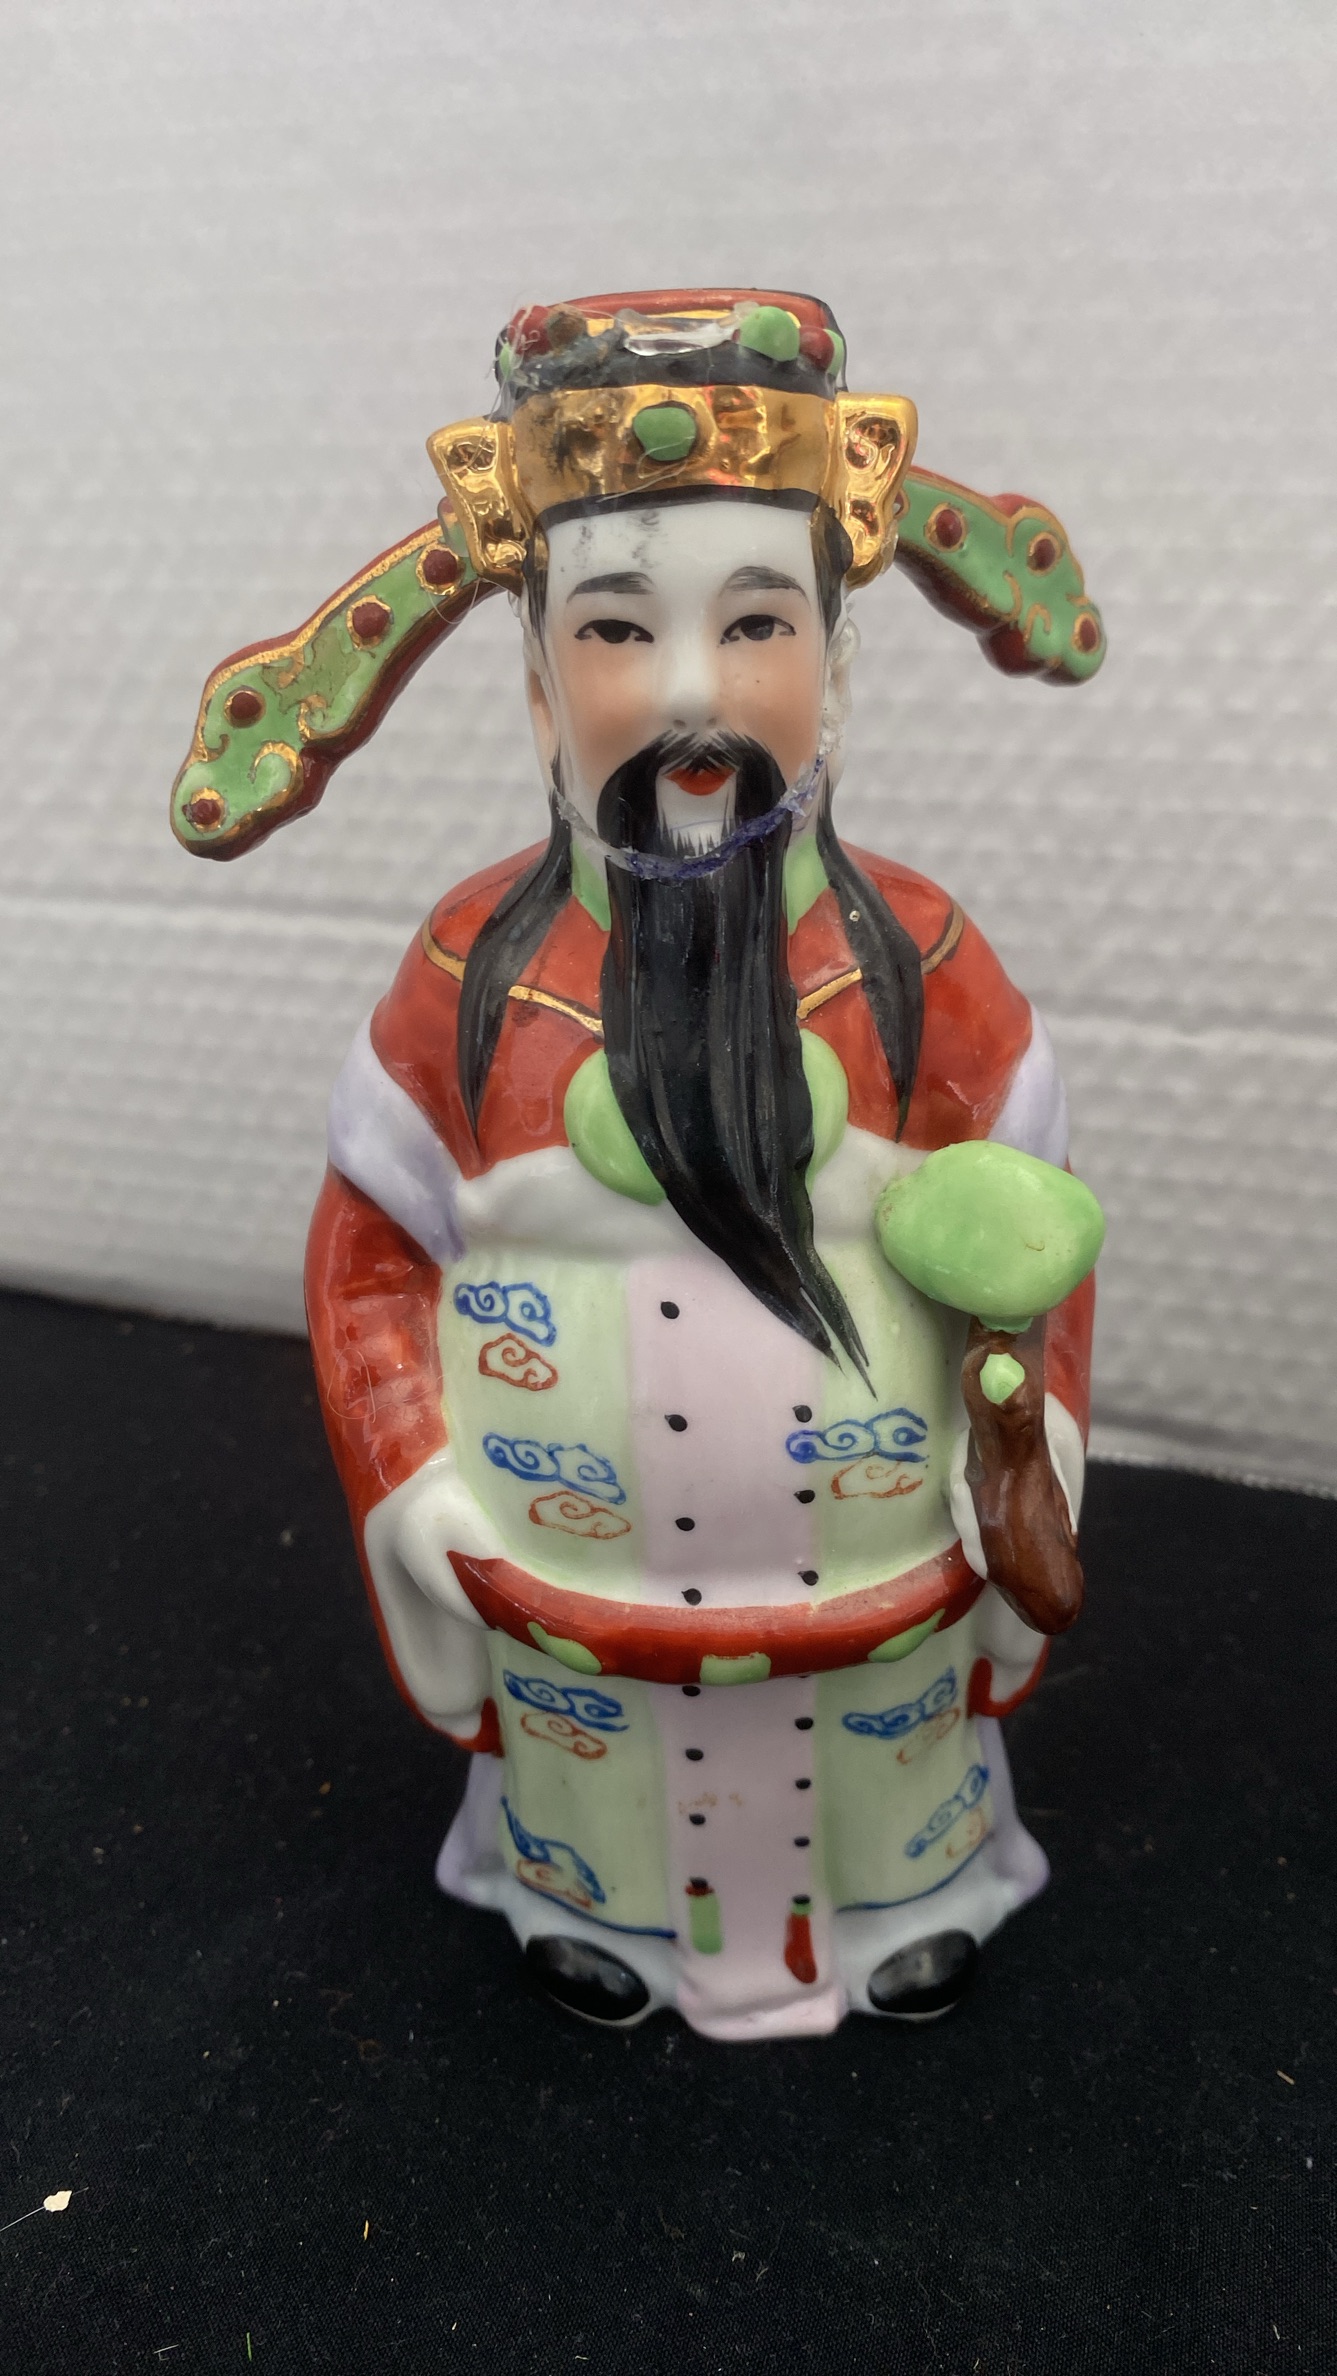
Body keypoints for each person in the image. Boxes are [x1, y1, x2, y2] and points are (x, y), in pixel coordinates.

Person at [177, 288, 1105, 2039]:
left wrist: (1019, 1443)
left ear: (837, 668)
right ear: (539, 686)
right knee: (601, 1802)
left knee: (882, 1782)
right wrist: (417, 1480)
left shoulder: (924, 973)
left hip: (879, 1601)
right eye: (615, 631)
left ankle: (910, 1895)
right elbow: (371, 1264)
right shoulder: (465, 986)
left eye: (753, 625)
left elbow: (1043, 1258)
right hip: (574, 1617)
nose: (689, 694)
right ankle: (584, 1905)